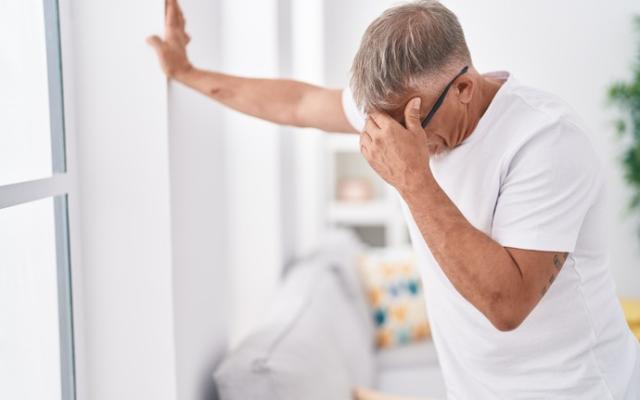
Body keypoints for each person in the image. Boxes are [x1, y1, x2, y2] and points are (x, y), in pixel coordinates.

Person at [147, 1, 640, 399]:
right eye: (381, 125)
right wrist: (187, 73)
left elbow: (506, 305)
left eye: (409, 127)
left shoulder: (546, 141)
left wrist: (413, 180)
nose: (395, 141)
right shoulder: (403, 108)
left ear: (464, 87)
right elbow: (296, 104)